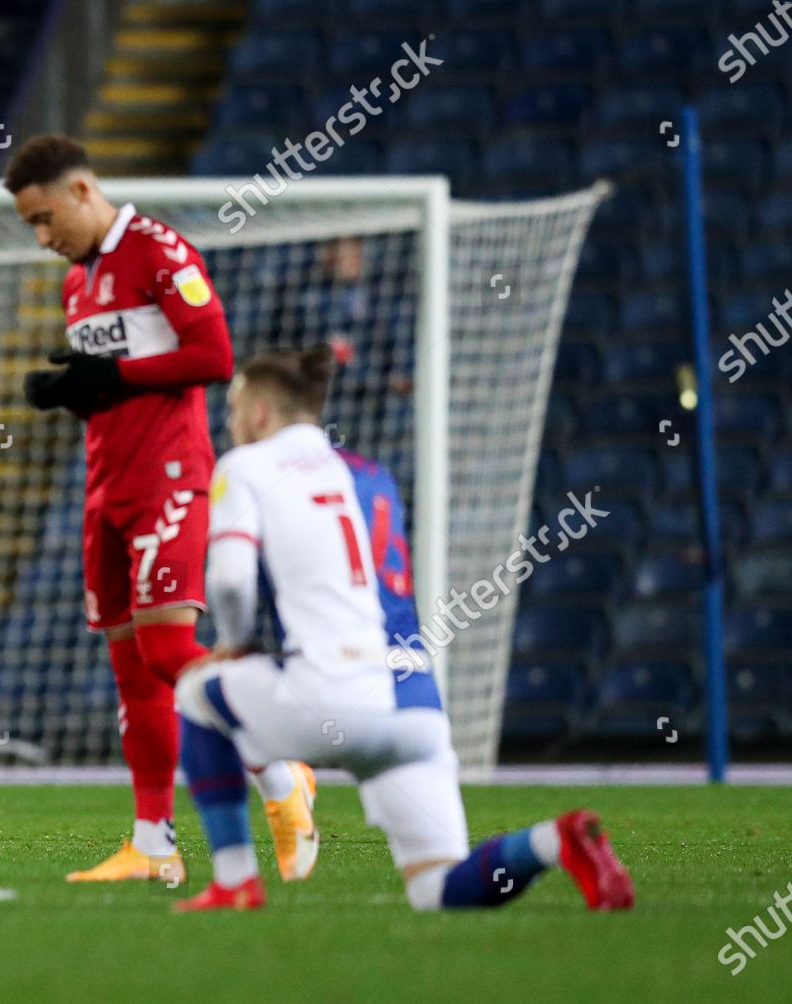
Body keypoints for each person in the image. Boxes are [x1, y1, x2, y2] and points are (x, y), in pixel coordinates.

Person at [172, 346, 634, 912]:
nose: (229, 424)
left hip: (330, 692)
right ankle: (553, 841)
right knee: (437, 888)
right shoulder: (372, 475)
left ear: (261, 414)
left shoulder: (245, 467)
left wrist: (235, 646)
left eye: (234, 410)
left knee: (195, 696)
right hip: (414, 704)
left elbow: (230, 582)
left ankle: (235, 879)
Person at [5, 135, 317, 884]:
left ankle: (285, 775)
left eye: (48, 219)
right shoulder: (78, 284)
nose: (46, 239)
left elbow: (212, 355)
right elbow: (120, 387)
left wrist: (111, 372)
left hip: (170, 477)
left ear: (82, 190)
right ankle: (153, 842)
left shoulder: (157, 249)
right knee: (132, 671)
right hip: (105, 483)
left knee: (168, 651)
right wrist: (79, 392)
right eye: (32, 228)